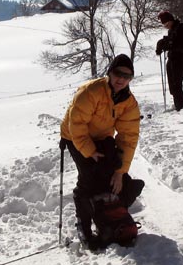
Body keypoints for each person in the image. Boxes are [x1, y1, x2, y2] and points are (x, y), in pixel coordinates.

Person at [59, 54, 144, 250]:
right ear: (110, 73)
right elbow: (77, 125)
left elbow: (128, 138)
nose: (121, 79)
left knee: (111, 173)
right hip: (74, 136)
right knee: (88, 176)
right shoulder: (91, 92)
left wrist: (120, 172)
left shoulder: (129, 103)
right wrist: (90, 151)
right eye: (118, 73)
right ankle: (83, 225)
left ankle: (109, 216)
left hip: (101, 136)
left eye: (127, 76)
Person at [156, 10, 183, 111]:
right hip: (172, 59)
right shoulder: (172, 30)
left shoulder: (181, 29)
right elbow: (172, 42)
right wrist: (163, 43)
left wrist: (169, 45)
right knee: (173, 86)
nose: (166, 26)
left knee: (177, 85)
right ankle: (179, 106)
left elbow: (182, 46)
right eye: (164, 25)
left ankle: (181, 107)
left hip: (180, 60)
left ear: (170, 20)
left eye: (166, 23)